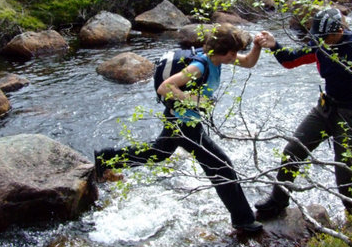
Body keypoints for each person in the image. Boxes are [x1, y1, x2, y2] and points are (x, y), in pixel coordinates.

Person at [94, 24, 268, 234]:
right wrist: (192, 99)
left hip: (183, 119)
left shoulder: (219, 58)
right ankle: (243, 221)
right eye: (234, 52)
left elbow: (249, 62)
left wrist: (257, 46)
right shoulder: (200, 66)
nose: (236, 56)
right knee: (222, 167)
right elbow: (164, 87)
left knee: (157, 154)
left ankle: (106, 158)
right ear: (224, 52)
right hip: (183, 123)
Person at [253, 7, 352, 219]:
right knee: (293, 150)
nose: (320, 41)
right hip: (325, 108)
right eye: (318, 37)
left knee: (346, 173)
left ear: (339, 30)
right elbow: (291, 60)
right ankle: (278, 200)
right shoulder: (320, 43)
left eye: (325, 37)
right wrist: (275, 45)